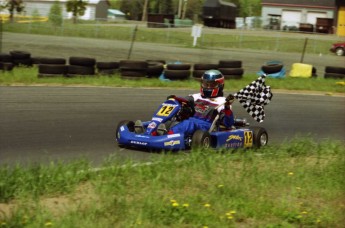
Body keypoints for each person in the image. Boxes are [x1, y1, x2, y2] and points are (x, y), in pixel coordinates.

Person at [159, 69, 235, 135]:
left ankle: (168, 136)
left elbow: (228, 124)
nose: (208, 87)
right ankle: (155, 131)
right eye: (206, 84)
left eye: (211, 85)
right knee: (171, 119)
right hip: (190, 121)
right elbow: (185, 100)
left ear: (220, 86)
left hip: (205, 126)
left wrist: (227, 107)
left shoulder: (222, 102)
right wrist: (175, 99)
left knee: (188, 124)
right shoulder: (196, 96)